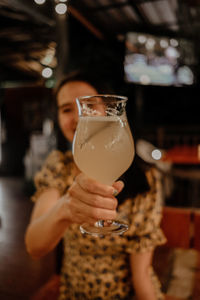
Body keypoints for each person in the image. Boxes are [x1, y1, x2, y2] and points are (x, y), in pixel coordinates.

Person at [25, 70, 166, 300]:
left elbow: (141, 276)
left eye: (90, 106)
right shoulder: (60, 167)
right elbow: (34, 246)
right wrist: (66, 208)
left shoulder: (146, 180)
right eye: (67, 109)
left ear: (110, 110)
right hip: (75, 292)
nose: (79, 117)